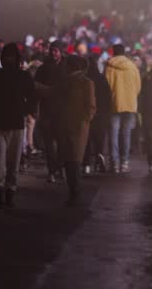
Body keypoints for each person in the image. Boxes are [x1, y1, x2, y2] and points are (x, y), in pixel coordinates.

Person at [0, 43, 35, 207]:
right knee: (8, 162)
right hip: (10, 123)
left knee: (4, 161)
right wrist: (27, 110)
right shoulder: (21, 76)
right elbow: (32, 97)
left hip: (2, 123)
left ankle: (3, 190)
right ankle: (7, 190)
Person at [53, 55, 95, 206]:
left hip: (77, 127)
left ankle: (75, 194)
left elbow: (91, 107)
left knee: (74, 162)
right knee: (69, 161)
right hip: (69, 126)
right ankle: (73, 193)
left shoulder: (85, 82)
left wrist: (84, 120)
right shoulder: (66, 81)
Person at [104, 44, 141, 174]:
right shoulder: (132, 66)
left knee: (113, 133)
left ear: (113, 52)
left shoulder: (109, 66)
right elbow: (138, 86)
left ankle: (114, 164)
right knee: (126, 133)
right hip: (130, 104)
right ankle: (124, 163)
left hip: (115, 103)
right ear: (124, 52)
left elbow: (106, 86)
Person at [33, 41, 65, 183]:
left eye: (56, 50)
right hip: (46, 110)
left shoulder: (67, 67)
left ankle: (60, 167)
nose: (53, 53)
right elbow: (35, 87)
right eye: (52, 50)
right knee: (49, 143)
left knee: (62, 142)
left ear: (61, 52)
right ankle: (52, 170)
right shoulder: (43, 69)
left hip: (62, 111)